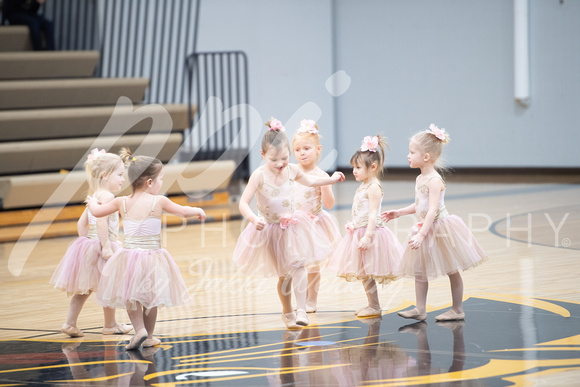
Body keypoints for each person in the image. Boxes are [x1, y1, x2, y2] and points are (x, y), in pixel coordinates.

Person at [87, 148, 206, 350]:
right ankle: (149, 336)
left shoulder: (121, 201)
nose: (161, 184)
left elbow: (98, 213)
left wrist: (91, 202)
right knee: (151, 298)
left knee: (130, 297)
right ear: (149, 182)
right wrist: (198, 210)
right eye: (161, 179)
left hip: (129, 257)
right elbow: (183, 212)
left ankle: (139, 330)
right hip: (153, 257)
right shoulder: (158, 201)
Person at [232, 118, 345, 329]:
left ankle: (302, 309)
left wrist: (330, 179)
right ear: (263, 155)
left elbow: (311, 181)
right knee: (284, 275)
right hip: (270, 230)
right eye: (274, 159)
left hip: (293, 226)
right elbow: (243, 203)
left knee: (300, 265)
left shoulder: (291, 169)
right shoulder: (258, 176)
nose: (280, 164)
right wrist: (253, 218)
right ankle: (287, 311)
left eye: (284, 158)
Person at [382, 124, 487, 321]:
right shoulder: (420, 178)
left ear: (426, 157)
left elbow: (433, 210)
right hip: (426, 227)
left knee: (452, 269)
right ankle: (420, 309)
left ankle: (457, 309)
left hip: (440, 228)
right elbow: (419, 205)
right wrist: (399, 212)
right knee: (420, 270)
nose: (408, 155)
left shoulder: (434, 180)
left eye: (412, 152)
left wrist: (421, 234)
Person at [50, 149, 132, 338]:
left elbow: (82, 223)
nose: (122, 179)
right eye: (119, 175)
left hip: (90, 245)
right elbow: (102, 221)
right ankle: (110, 325)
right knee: (108, 286)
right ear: (105, 175)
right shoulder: (109, 197)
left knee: (84, 290)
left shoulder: (93, 196)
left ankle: (70, 323)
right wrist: (104, 246)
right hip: (104, 246)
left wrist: (85, 244)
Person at [329, 135, 403, 318]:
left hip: (371, 233)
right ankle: (373, 304)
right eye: (354, 167)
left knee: (367, 270)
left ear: (373, 167)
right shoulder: (363, 185)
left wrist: (368, 236)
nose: (354, 171)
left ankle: (375, 305)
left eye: (358, 167)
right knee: (363, 272)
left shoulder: (374, 187)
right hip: (359, 232)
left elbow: (372, 214)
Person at [292, 119, 341, 313]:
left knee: (312, 265)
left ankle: (311, 300)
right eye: (297, 149)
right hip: (293, 225)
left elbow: (329, 204)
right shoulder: (290, 172)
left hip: (312, 226)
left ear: (318, 149)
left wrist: (326, 185)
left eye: (306, 148)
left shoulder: (321, 175)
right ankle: (299, 301)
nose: (302, 153)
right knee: (295, 265)